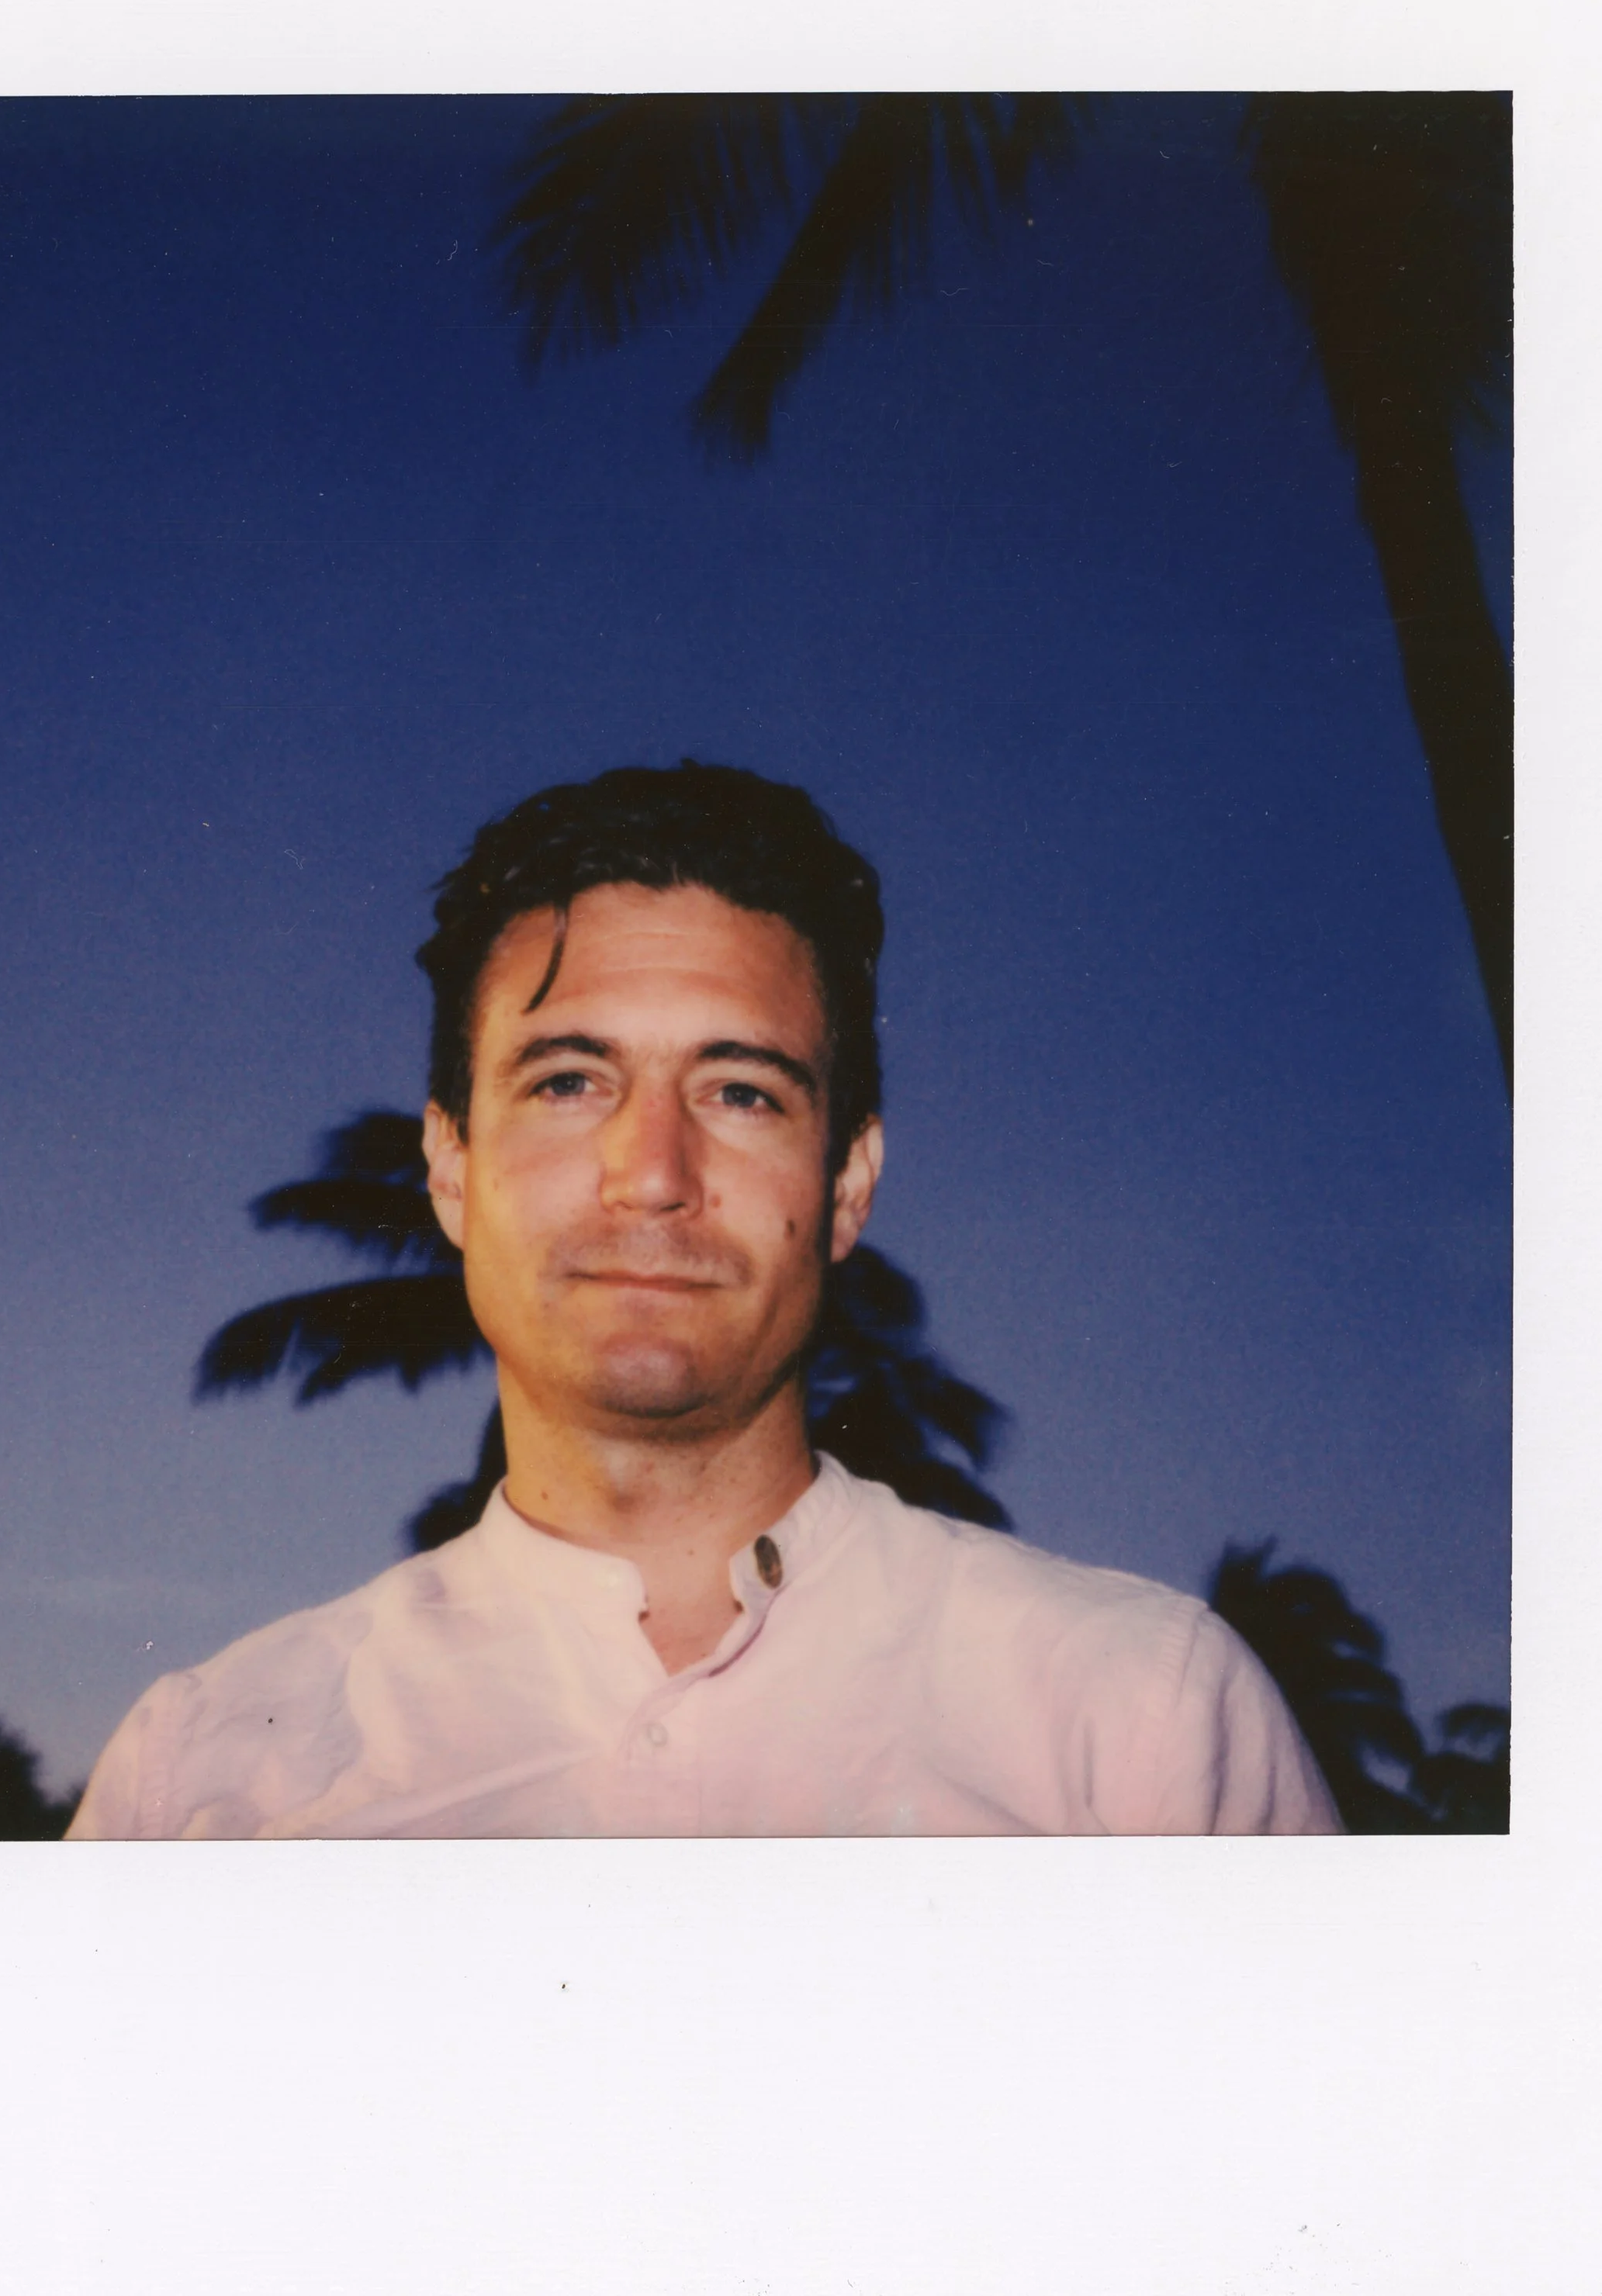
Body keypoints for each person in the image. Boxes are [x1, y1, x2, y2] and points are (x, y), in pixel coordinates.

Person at [69, 762, 1340, 1838]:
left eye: (741, 1093)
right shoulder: (202, 1782)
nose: (653, 1176)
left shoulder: (1142, 1730)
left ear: (847, 1183)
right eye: (569, 1082)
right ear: (450, 1168)